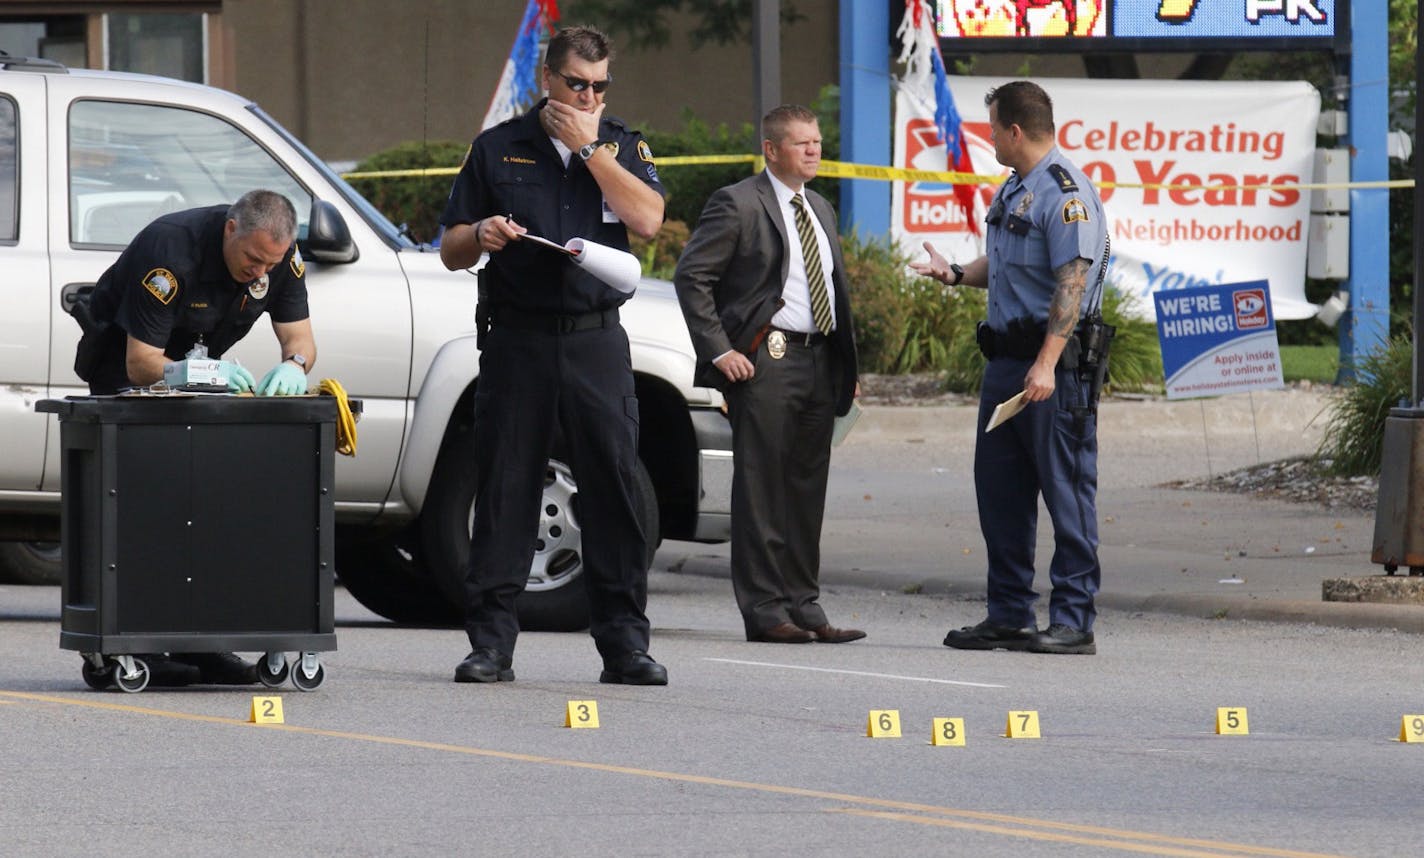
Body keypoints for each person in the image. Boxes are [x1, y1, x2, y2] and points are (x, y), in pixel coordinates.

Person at [438, 25, 668, 685]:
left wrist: (591, 148)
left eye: (599, 86)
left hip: (595, 338)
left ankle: (625, 645)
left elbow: (649, 220)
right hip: (518, 338)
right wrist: (479, 233)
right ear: (549, 80)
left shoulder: (620, 142)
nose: (588, 95)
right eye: (577, 84)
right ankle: (491, 645)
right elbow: (451, 248)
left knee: (613, 489)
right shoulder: (499, 148)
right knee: (508, 485)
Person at [73, 188, 316, 684]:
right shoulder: (171, 254)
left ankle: (207, 643)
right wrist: (196, 375)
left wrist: (293, 366)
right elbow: (141, 366)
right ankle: (146, 639)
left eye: (270, 263)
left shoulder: (278, 256)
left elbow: (302, 340)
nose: (260, 273)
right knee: (155, 505)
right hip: (128, 373)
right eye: (252, 260)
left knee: (210, 507)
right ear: (231, 229)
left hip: (206, 367)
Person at [911, 81, 1107, 656]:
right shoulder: (1016, 187)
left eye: (992, 127)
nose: (989, 136)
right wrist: (952, 274)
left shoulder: (1067, 194)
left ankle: (1073, 620)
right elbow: (1004, 267)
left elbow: (1073, 282)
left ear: (1015, 131)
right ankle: (1009, 614)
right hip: (1005, 364)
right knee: (1000, 494)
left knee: (1066, 493)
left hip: (1053, 369)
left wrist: (1046, 364)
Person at [673, 105, 863, 645]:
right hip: (766, 359)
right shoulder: (737, 203)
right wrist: (720, 350)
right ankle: (765, 610)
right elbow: (693, 279)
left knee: (806, 488)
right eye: (801, 143)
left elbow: (834, 292)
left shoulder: (820, 206)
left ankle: (805, 604)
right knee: (761, 489)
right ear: (772, 150)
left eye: (818, 142)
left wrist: (846, 366)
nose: (814, 151)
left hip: (819, 360)